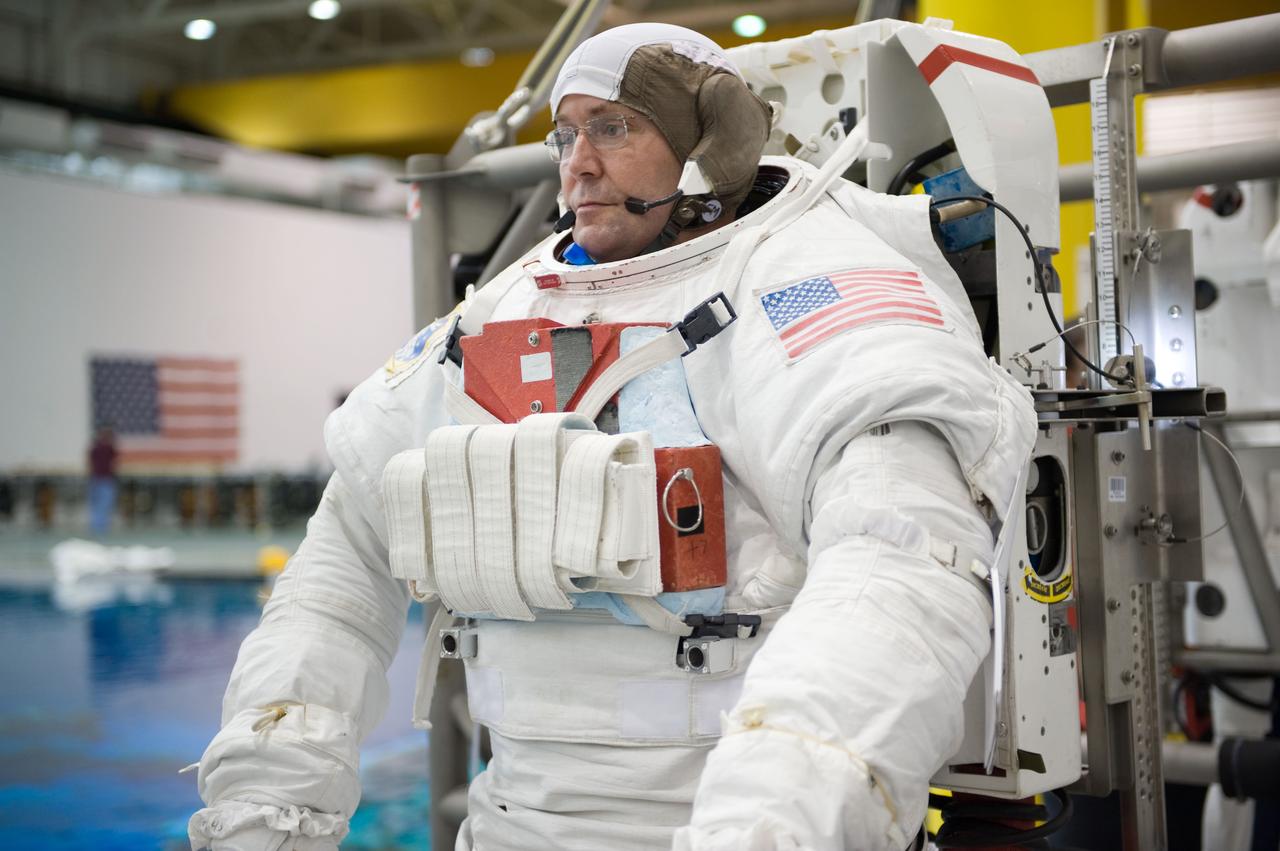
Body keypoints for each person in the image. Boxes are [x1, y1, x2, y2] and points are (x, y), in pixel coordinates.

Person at [189, 23, 1036, 851]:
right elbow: (336, 579)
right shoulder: (501, 311)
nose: (577, 163)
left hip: (734, 816)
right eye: (564, 136)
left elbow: (899, 560)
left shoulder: (803, 276)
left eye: (613, 128)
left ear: (712, 142)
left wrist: (768, 821)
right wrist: (266, 813)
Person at [87, 426, 118, 536]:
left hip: (100, 479)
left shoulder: (98, 448)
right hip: (102, 479)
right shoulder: (108, 449)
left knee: (100, 506)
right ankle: (99, 529)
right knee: (101, 505)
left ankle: (99, 528)